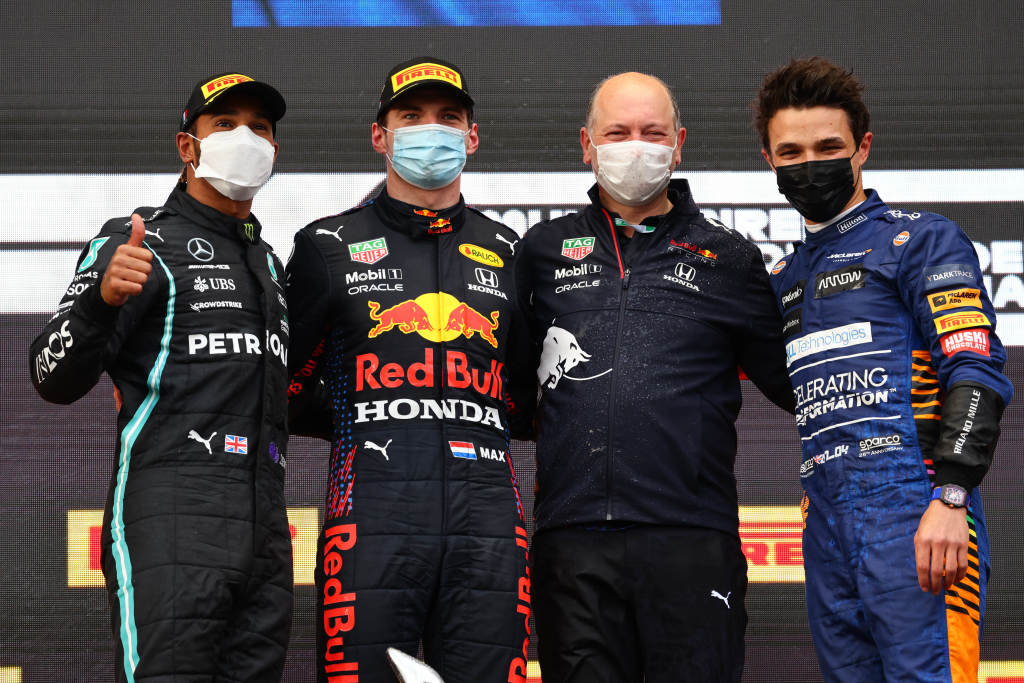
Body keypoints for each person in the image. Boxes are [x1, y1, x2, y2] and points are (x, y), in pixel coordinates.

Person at [519, 72, 795, 683]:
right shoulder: (540, 250)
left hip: (692, 536)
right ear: (587, 144)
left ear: (680, 142)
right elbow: (508, 389)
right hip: (572, 538)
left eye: (653, 132)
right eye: (618, 132)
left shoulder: (730, 258)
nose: (635, 145)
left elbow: (795, 383)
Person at [753, 57, 1013, 682]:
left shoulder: (920, 240)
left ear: (862, 147)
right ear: (769, 159)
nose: (809, 163)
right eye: (791, 151)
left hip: (918, 506)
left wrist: (952, 495)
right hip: (826, 517)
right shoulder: (785, 280)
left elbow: (977, 371)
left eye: (828, 146)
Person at [29, 72, 293, 681]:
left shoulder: (271, 262)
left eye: (259, 128)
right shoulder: (141, 240)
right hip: (171, 512)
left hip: (267, 530)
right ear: (187, 147)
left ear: (274, 152)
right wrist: (100, 301)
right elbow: (53, 376)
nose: (244, 137)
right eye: (224, 125)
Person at [285, 57, 536, 683]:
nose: (432, 131)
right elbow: (280, 385)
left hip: (489, 522)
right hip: (368, 517)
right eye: (411, 117)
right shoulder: (327, 246)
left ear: (472, 137)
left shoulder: (510, 252)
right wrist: (360, 413)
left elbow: (531, 397)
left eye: (448, 118)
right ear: (380, 135)